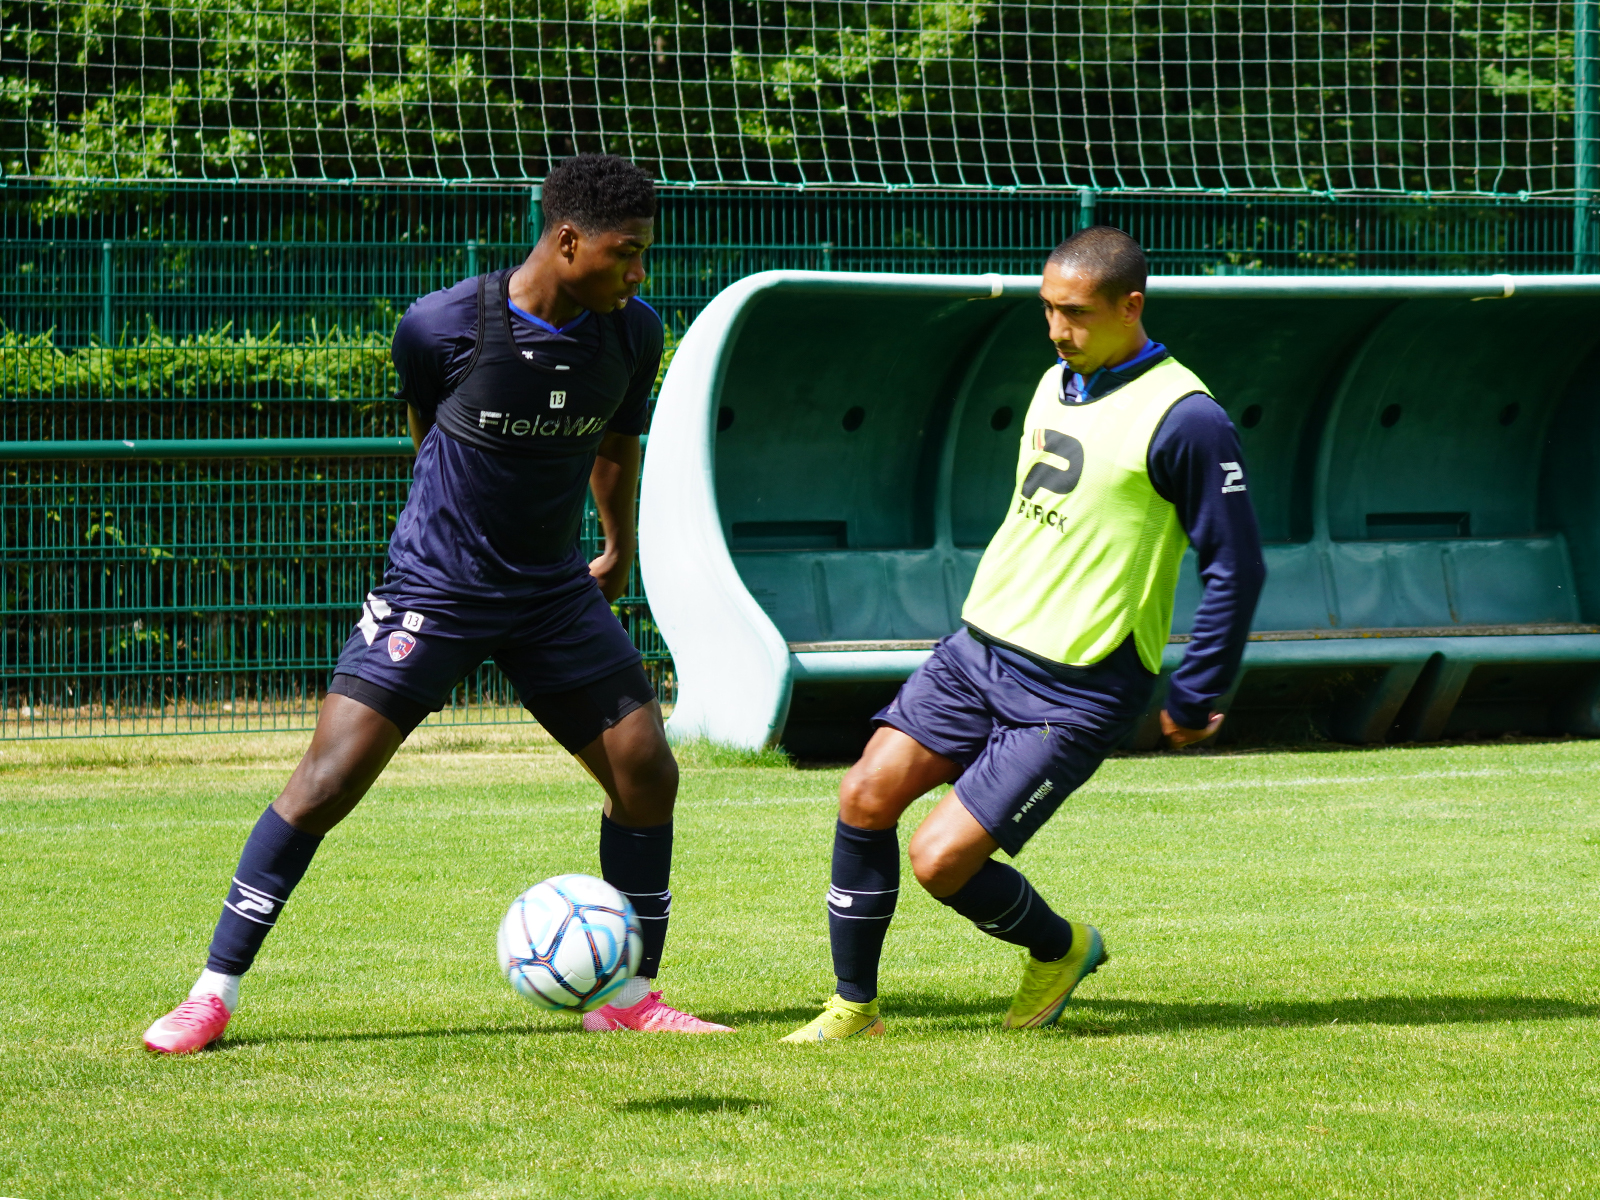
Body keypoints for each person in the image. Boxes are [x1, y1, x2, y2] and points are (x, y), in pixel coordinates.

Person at [143, 154, 731, 1054]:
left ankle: (631, 992)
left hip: (551, 594)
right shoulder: (443, 324)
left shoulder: (632, 331)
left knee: (647, 770)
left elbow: (617, 441)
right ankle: (211, 995)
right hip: (437, 589)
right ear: (568, 241)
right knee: (326, 782)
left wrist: (617, 548)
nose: (639, 272)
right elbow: (431, 445)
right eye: (627, 253)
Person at [780, 226, 1266, 1042]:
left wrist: (1198, 689)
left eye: (1073, 313)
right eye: (1047, 309)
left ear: (1130, 307)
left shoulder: (1188, 419)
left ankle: (1061, 947)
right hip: (978, 651)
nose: (1056, 329)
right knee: (865, 796)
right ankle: (852, 1007)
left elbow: (1237, 565)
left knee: (940, 862)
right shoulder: (1056, 381)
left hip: (1077, 686)